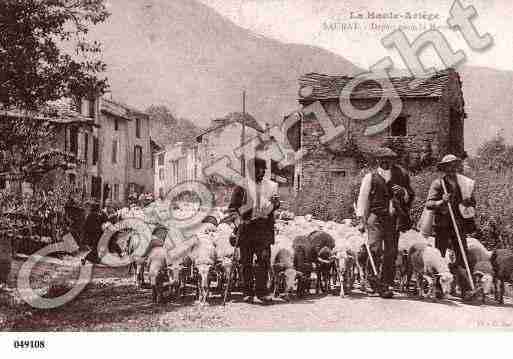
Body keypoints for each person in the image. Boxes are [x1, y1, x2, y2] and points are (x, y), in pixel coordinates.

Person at [356, 147, 414, 298]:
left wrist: (404, 193)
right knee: (374, 248)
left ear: (393, 160)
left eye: (389, 159)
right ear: (378, 160)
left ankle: (387, 282)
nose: (386, 162)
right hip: (375, 218)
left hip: (393, 219)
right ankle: (371, 282)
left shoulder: (401, 176)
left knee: (391, 252)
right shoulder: (370, 177)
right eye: (383, 159)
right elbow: (362, 199)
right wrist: (361, 220)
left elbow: (410, 195)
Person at [228, 157, 280, 303]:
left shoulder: (271, 186)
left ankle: (262, 292)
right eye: (258, 169)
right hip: (246, 230)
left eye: (264, 169)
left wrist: (276, 204)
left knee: (263, 260)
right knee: (246, 262)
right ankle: (248, 292)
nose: (262, 172)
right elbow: (232, 209)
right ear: (250, 171)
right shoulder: (241, 187)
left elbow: (273, 205)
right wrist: (239, 223)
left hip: (263, 230)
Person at [425, 154, 477, 300]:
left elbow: (473, 202)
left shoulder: (464, 184)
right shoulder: (438, 184)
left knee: (462, 255)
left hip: (459, 225)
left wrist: (469, 202)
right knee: (440, 256)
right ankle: (438, 288)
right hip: (443, 225)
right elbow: (429, 204)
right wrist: (442, 201)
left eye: (454, 165)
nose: (452, 168)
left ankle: (466, 290)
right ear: (444, 168)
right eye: (449, 166)